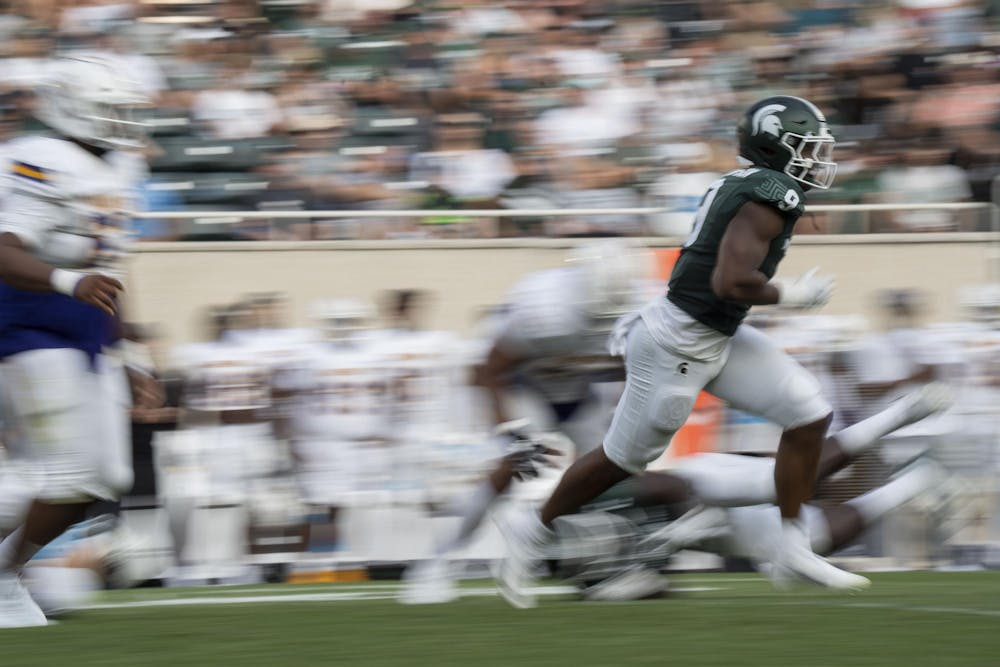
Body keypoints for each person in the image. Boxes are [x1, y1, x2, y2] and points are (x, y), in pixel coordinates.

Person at [496, 95, 867, 609]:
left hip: (714, 335)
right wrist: (793, 295)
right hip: (676, 343)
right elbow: (732, 281)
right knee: (621, 461)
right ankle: (531, 525)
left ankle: (792, 545)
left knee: (807, 413)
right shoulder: (770, 192)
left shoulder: (754, 187)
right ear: (774, 149)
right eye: (805, 148)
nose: (816, 159)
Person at [400, 239, 689, 604]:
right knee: (513, 466)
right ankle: (437, 563)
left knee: (610, 468)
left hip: (579, 387)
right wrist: (512, 432)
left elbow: (635, 368)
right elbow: (487, 372)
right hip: (524, 383)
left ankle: (605, 569)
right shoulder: (545, 308)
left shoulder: (644, 303)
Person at [0, 53, 162, 627]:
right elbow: (5, 248)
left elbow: (112, 270)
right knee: (61, 472)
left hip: (87, 335)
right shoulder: (37, 157)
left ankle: (6, 567)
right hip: (30, 325)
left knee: (104, 479)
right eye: (110, 111)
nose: (122, 122)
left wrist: (134, 355)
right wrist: (71, 281)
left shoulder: (121, 169)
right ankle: (4, 576)